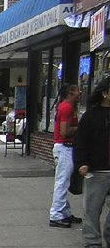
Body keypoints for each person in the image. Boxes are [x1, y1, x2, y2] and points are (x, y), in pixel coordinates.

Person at [74, 78, 110, 248]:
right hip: (97, 169)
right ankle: (92, 243)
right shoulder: (91, 116)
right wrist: (82, 162)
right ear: (105, 93)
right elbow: (81, 141)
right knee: (92, 209)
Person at [49, 83, 82, 228]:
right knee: (62, 182)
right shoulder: (67, 108)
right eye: (77, 91)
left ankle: (64, 212)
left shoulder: (65, 107)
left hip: (65, 148)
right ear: (70, 93)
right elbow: (65, 132)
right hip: (65, 147)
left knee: (64, 181)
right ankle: (56, 214)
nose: (79, 93)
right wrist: (81, 127)